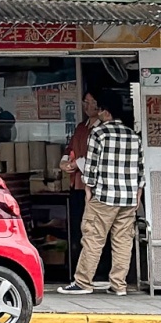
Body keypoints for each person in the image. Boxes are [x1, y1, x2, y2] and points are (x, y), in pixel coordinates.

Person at [58, 90, 142, 296]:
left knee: (93, 238)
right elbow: (140, 169)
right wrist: (138, 195)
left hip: (104, 196)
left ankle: (83, 282)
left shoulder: (99, 133)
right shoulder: (133, 135)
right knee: (123, 241)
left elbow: (91, 168)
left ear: (105, 111)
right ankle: (118, 285)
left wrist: (88, 190)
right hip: (129, 198)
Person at [59, 90, 100, 273]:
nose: (86, 106)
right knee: (78, 229)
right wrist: (64, 161)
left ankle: (96, 272)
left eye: (90, 102)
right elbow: (70, 148)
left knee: (93, 231)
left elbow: (99, 157)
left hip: (93, 186)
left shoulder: (103, 129)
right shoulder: (81, 127)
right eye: (85, 102)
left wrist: (78, 163)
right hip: (76, 184)